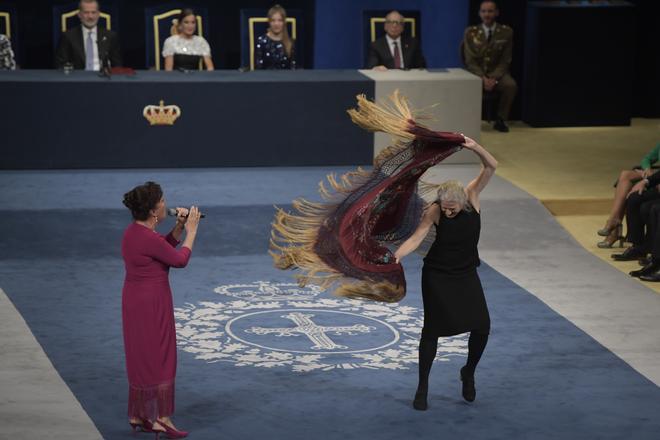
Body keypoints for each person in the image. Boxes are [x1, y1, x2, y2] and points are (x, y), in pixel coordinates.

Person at [393, 138, 497, 410]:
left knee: (482, 325)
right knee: (432, 331)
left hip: (465, 273)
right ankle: (422, 387)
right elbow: (417, 237)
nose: (448, 211)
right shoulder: (436, 210)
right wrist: (398, 255)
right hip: (437, 275)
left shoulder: (472, 197)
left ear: (462, 200)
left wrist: (475, 147)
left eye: (453, 208)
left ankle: (468, 372)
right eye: (445, 207)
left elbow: (491, 165)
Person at [121, 181, 201, 438]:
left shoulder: (133, 233)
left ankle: (141, 414)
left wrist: (178, 226)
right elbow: (179, 260)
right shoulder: (148, 238)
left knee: (142, 355)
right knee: (161, 357)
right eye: (163, 201)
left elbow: (161, 248)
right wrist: (191, 230)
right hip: (153, 303)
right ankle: (162, 418)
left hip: (134, 301)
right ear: (154, 211)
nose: (167, 203)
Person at [461, 1, 516, 132]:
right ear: (479, 13)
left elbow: (505, 59)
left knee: (510, 85)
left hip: (497, 73)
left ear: (496, 13)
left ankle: (501, 119)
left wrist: (493, 78)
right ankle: (469, 121)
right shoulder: (471, 32)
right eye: (484, 11)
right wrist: (482, 78)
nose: (487, 14)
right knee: (465, 85)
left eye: (490, 11)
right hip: (476, 73)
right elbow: (470, 60)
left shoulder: (506, 32)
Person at [597, 142, 660, 248]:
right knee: (625, 175)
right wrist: (647, 169)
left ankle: (614, 228)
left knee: (628, 185)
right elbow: (646, 159)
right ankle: (614, 221)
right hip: (654, 176)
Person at [55, 0, 122, 70]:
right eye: (86, 12)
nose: (90, 16)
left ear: (98, 14)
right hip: (78, 78)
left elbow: (117, 65)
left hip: (103, 78)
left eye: (93, 12)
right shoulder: (68, 36)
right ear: (79, 15)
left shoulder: (111, 36)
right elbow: (60, 65)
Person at [255, 4, 296, 70]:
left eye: (280, 20)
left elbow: (294, 68)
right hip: (266, 78)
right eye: (273, 20)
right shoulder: (262, 41)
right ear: (269, 22)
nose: (276, 24)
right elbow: (258, 67)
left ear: (284, 22)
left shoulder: (290, 42)